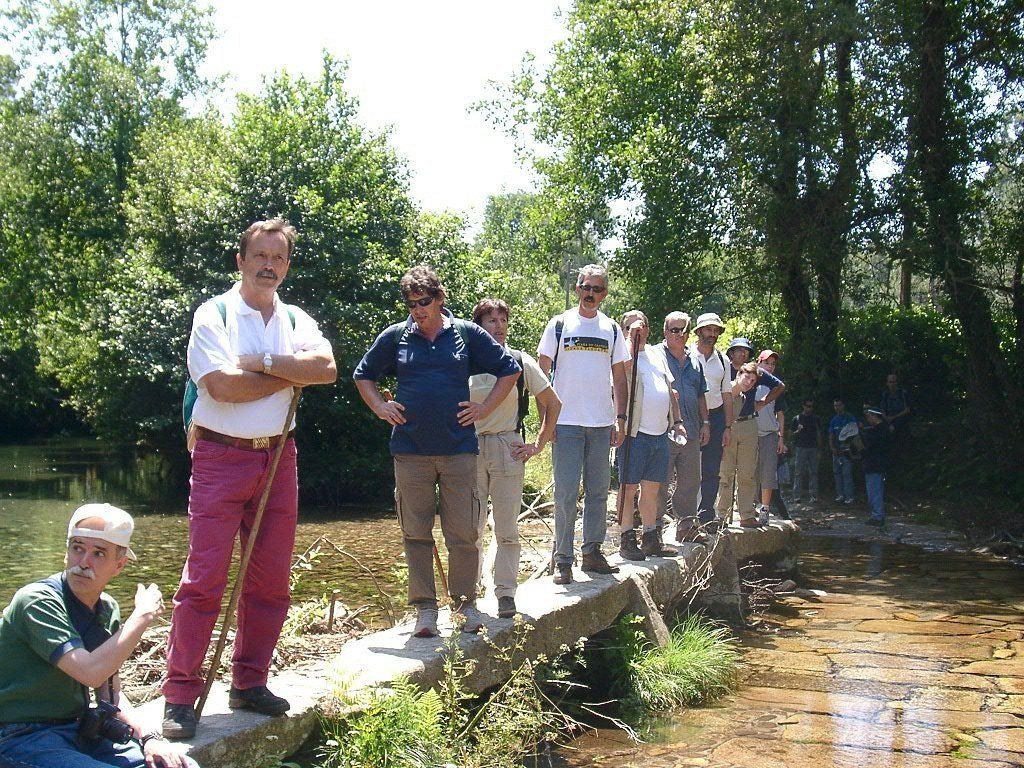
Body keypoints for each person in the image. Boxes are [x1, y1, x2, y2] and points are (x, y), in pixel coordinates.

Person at [164, 219, 337, 739]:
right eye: (259, 255)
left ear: (287, 265)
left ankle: (249, 682)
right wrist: (289, 373)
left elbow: (326, 369)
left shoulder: (295, 318)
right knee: (204, 580)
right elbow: (221, 387)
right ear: (240, 260)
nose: (268, 265)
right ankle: (180, 695)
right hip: (220, 456)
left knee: (270, 581)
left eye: (278, 257)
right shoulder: (213, 314)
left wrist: (260, 363)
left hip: (279, 457)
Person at [354, 267, 521, 639]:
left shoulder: (466, 333)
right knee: (415, 533)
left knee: (463, 533)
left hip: (458, 450)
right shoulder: (396, 336)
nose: (418, 310)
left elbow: (509, 369)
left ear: (440, 298)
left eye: (424, 301)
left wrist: (485, 408)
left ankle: (464, 607)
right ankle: (425, 611)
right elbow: (363, 375)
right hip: (409, 450)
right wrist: (380, 407)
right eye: (411, 304)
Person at [0, 504, 196, 768]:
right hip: (21, 735)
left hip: (79, 730)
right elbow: (90, 672)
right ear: (66, 553)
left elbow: (109, 694)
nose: (84, 562)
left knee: (182, 765)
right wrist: (142, 616)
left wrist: (150, 737)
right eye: (77, 548)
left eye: (99, 553)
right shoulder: (37, 601)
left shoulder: (107, 608)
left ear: (119, 565)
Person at [537, 264, 630, 585]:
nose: (590, 293)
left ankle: (592, 552)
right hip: (565, 423)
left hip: (602, 424)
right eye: (586, 287)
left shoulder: (612, 329)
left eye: (597, 289)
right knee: (565, 493)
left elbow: (620, 378)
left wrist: (620, 418)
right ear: (577, 289)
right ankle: (563, 559)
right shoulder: (559, 325)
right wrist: (546, 422)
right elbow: (540, 375)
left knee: (598, 492)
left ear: (605, 293)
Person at [469, 298, 561, 619]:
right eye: (490, 320)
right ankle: (468, 593)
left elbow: (553, 403)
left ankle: (506, 593)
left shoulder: (520, 361)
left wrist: (537, 444)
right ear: (478, 326)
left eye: (502, 320)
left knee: (507, 526)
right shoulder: (464, 361)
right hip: (469, 449)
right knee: (470, 527)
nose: (498, 326)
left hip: (508, 446)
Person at [615, 310, 685, 560]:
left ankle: (650, 537)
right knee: (628, 487)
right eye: (630, 327)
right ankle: (626, 538)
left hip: (659, 433)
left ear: (648, 329)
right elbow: (622, 373)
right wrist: (629, 342)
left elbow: (670, 389)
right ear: (622, 331)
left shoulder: (656, 355)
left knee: (652, 488)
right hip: (634, 433)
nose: (637, 330)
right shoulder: (621, 354)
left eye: (641, 325)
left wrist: (677, 421)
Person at [652, 312, 710, 543]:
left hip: (692, 429)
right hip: (662, 430)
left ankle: (686, 527)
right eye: (674, 330)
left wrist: (706, 423)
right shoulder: (655, 356)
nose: (679, 334)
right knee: (659, 481)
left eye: (683, 330)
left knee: (690, 481)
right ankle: (653, 529)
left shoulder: (695, 360)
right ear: (665, 332)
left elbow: (701, 394)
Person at [717, 344, 784, 528]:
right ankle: (721, 515)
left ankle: (746, 515)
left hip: (749, 424)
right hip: (728, 425)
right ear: (731, 353)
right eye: (738, 350)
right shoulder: (722, 368)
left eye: (746, 351)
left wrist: (763, 402)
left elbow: (779, 386)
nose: (742, 353)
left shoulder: (756, 372)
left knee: (747, 473)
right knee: (725, 473)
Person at [691, 313, 734, 530]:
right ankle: (686, 515)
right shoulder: (687, 355)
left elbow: (727, 394)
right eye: (708, 330)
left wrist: (728, 426)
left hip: (716, 416)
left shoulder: (723, 360)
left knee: (712, 468)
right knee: (688, 467)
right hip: (691, 415)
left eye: (716, 330)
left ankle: (706, 515)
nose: (712, 334)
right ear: (699, 331)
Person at [754, 350, 786, 520]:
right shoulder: (749, 380)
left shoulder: (776, 386)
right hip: (750, 433)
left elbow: (780, 413)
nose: (770, 367)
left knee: (768, 472)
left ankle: (765, 509)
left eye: (773, 364)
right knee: (749, 472)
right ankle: (749, 506)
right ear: (758, 362)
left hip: (769, 434)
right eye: (766, 363)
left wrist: (781, 437)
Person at [861, 407, 891, 526]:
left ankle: (877, 516)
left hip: (875, 464)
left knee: (874, 491)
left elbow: (869, 446)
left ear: (874, 416)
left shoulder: (878, 431)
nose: (867, 418)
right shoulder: (883, 429)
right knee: (875, 491)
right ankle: (877, 515)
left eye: (869, 416)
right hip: (876, 464)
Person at [790, 399, 821, 503]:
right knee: (799, 472)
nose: (810, 408)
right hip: (801, 448)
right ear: (803, 406)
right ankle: (797, 496)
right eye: (808, 406)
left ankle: (814, 495)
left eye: (811, 406)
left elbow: (818, 434)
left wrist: (819, 449)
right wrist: (797, 431)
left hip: (813, 447)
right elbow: (790, 434)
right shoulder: (797, 419)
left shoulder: (816, 419)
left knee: (814, 472)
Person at [828, 398, 857, 504]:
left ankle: (849, 496)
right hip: (836, 450)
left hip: (847, 450)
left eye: (839, 405)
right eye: (835, 406)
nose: (837, 408)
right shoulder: (834, 420)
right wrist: (832, 447)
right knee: (837, 473)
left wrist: (849, 446)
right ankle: (840, 495)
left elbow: (854, 432)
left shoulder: (850, 417)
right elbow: (831, 434)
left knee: (847, 473)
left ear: (843, 405)